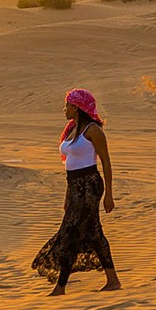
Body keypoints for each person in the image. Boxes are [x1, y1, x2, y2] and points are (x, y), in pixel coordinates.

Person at [32, 88, 121, 295]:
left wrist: (109, 194)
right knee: (94, 233)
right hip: (75, 187)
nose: (65, 109)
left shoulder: (93, 130)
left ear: (78, 107)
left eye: (68, 105)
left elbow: (106, 163)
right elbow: (69, 167)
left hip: (90, 185)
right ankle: (113, 280)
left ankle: (61, 286)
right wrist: (68, 195)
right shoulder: (71, 129)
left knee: (70, 231)